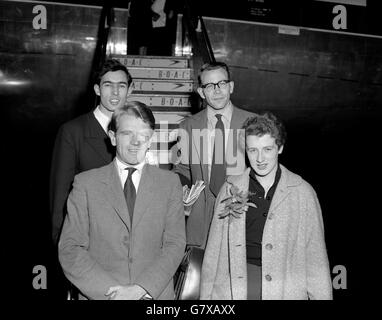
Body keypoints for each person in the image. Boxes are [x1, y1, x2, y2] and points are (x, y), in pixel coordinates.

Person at [58, 102, 186, 300]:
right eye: (127, 133)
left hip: (153, 296)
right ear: (113, 138)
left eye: (143, 134)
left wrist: (142, 288)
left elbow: (175, 244)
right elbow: (70, 249)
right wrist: (112, 293)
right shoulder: (85, 184)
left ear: (151, 138)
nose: (136, 141)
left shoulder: (169, 183)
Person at [200, 112, 332, 300]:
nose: (260, 158)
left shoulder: (302, 192)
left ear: (280, 148)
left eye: (267, 149)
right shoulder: (230, 189)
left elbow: (316, 258)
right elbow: (213, 253)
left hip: (286, 290)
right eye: (252, 150)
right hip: (235, 290)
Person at [50, 59, 133, 246]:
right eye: (107, 85)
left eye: (121, 86)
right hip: (88, 237)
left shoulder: (138, 130)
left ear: (130, 90)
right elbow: (60, 193)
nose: (115, 92)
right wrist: (62, 242)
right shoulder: (73, 131)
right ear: (97, 89)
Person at [173, 61, 255, 249]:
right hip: (200, 215)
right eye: (210, 86)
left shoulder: (252, 123)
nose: (217, 91)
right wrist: (183, 190)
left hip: (240, 212)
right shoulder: (189, 126)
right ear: (201, 92)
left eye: (222, 84)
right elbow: (182, 168)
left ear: (231, 86)